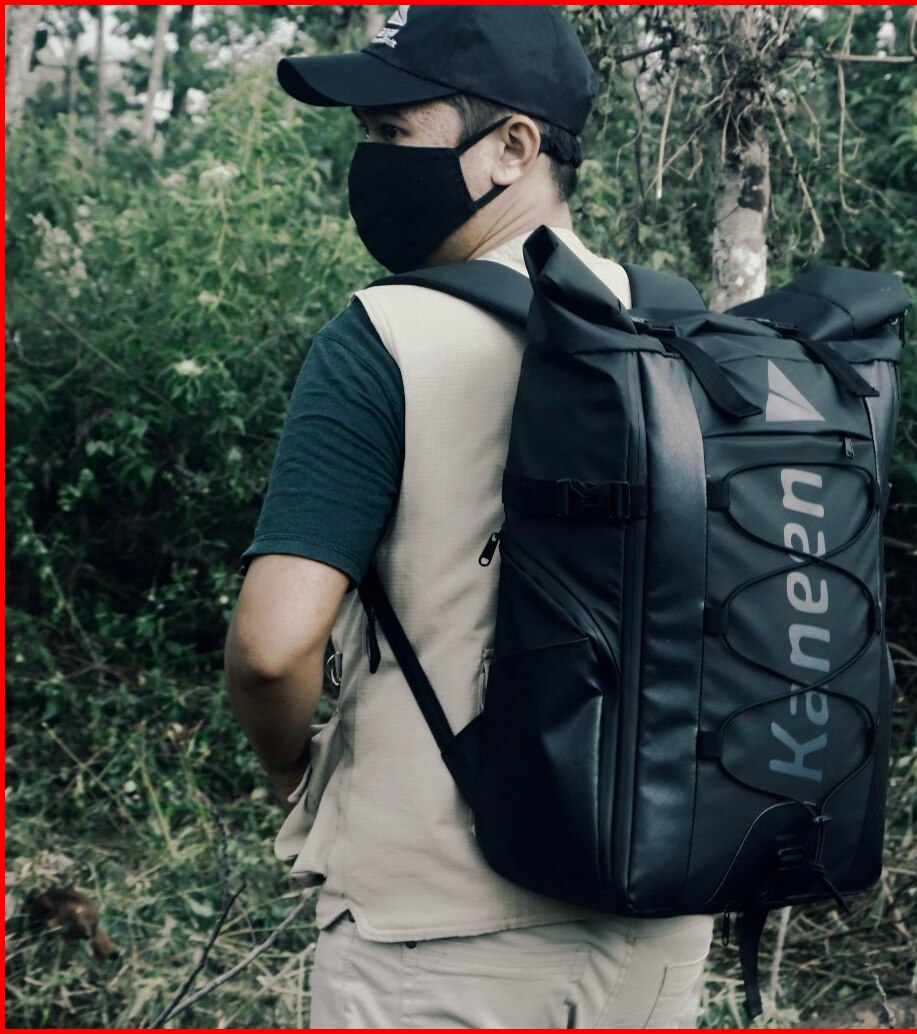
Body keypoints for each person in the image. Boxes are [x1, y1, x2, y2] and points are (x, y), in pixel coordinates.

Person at [224, 6, 713, 1028]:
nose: (368, 160)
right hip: (658, 909)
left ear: (514, 147)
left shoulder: (382, 336)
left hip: (435, 935)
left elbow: (271, 648)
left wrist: (288, 773)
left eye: (392, 131)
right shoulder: (683, 330)